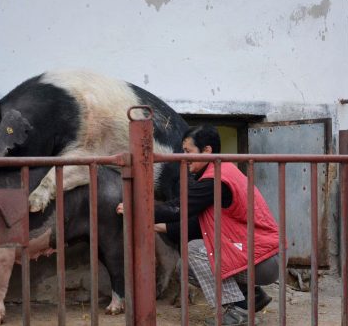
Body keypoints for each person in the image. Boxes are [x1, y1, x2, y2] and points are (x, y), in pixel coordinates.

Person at [118, 124, 280, 326]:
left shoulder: (215, 180)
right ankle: (251, 298)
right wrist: (154, 226)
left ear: (207, 150)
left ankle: (238, 312)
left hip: (263, 260)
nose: (183, 158)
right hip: (259, 256)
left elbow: (178, 208)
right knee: (185, 268)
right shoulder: (222, 171)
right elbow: (196, 224)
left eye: (188, 152)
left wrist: (138, 209)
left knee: (194, 250)